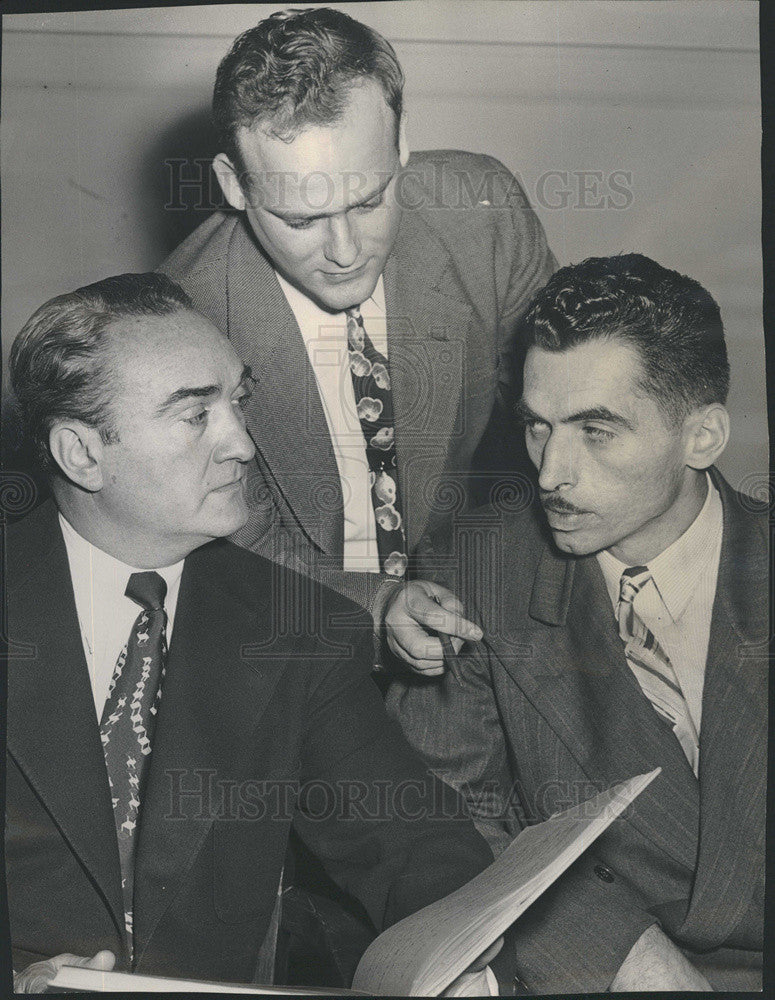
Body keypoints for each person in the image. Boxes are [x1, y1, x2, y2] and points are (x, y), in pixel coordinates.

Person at [5, 273, 502, 993]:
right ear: (81, 453)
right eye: (193, 414)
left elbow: (412, 843)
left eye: (238, 400)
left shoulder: (296, 628)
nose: (242, 443)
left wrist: (462, 963)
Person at [387, 254, 767, 992]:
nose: (551, 472)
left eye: (596, 431)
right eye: (537, 427)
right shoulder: (473, 575)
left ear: (702, 436)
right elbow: (446, 824)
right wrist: (623, 955)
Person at [160, 6, 556, 672]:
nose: (345, 252)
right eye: (301, 219)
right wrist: (377, 609)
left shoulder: (483, 217)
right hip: (290, 635)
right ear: (234, 185)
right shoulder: (181, 320)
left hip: (484, 583)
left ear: (401, 144)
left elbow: (565, 412)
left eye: (369, 201)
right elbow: (229, 545)